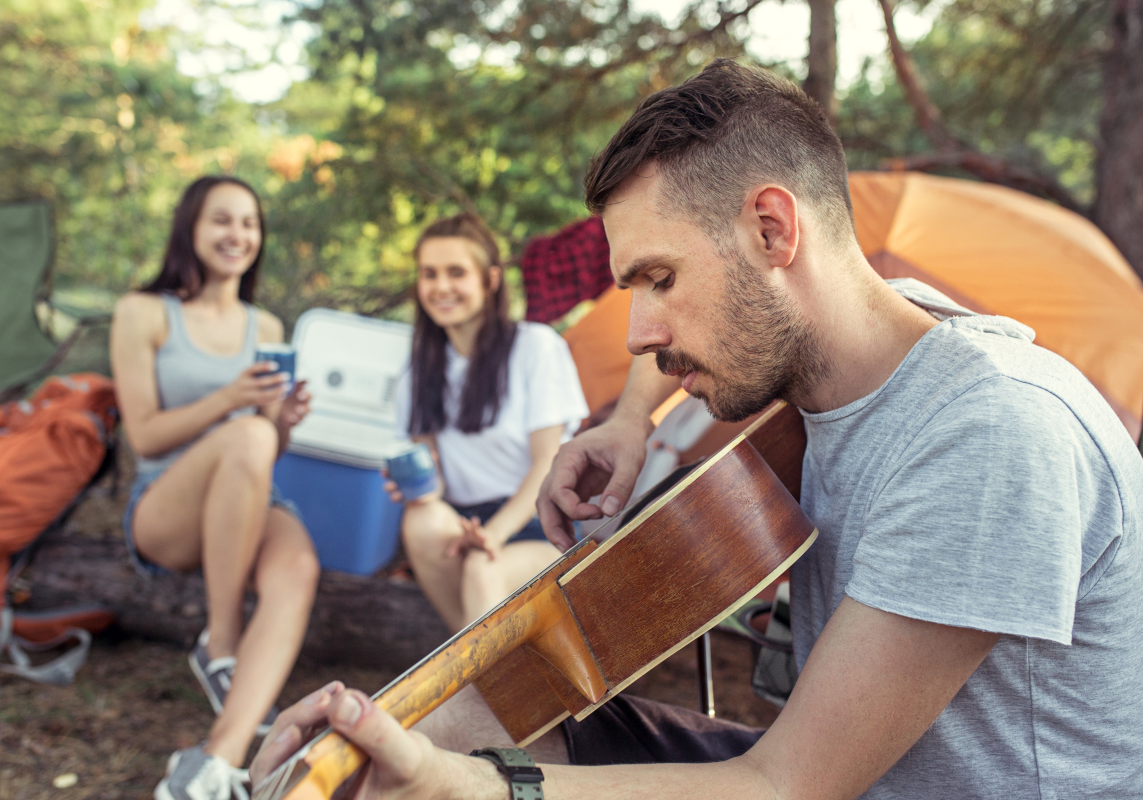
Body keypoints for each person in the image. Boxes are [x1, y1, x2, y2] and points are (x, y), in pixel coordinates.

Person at [251, 60, 1143, 799]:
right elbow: (726, 317)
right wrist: (632, 419)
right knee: (453, 723)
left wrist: (470, 788)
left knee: (459, 774)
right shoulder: (876, 335)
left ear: (771, 227)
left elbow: (786, 785)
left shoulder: (986, 429)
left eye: (658, 279)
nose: (637, 328)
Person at [111, 176, 320, 800]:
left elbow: (263, 447)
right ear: (191, 229)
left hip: (248, 494)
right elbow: (143, 436)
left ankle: (214, 765)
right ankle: (220, 638)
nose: (238, 235)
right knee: (249, 439)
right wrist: (235, 401)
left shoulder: (268, 325)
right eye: (222, 221)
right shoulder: (144, 312)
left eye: (250, 223)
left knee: (299, 565)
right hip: (164, 504)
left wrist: (281, 424)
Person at [389, 213, 588, 632]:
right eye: (429, 274)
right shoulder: (415, 375)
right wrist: (411, 484)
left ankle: (475, 685)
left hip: (538, 529)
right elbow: (436, 483)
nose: (441, 287)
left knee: (483, 567)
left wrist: (494, 534)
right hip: (462, 530)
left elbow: (548, 465)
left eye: (456, 272)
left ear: (490, 280)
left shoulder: (536, 348)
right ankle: (474, 670)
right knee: (421, 517)